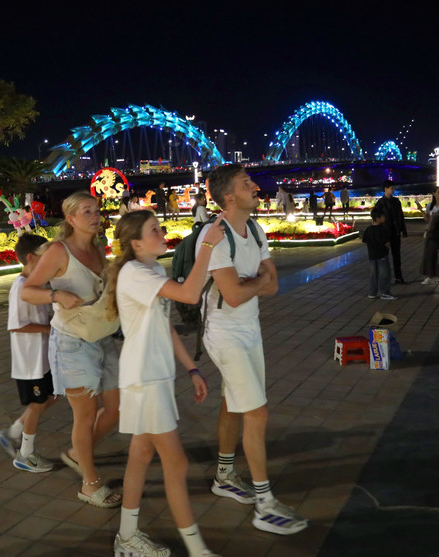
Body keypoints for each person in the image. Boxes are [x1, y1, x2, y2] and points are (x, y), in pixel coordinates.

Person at [196, 164, 308, 535]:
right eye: (248, 184)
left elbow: (273, 286)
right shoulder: (214, 236)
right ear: (229, 197)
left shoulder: (255, 229)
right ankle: (264, 504)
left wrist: (253, 282)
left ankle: (225, 475)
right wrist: (256, 282)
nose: (257, 187)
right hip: (224, 332)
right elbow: (231, 294)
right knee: (256, 413)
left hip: (249, 327)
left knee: (234, 402)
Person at [107, 210, 226, 557]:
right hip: (145, 378)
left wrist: (191, 368)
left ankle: (127, 538)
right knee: (177, 463)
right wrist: (206, 246)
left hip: (152, 375)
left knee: (141, 456)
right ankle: (197, 550)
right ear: (136, 243)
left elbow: (165, 325)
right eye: (154, 230)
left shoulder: (153, 270)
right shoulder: (134, 272)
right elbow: (190, 294)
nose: (162, 233)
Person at [21, 191, 122, 508]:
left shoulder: (98, 246)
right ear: (71, 218)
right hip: (72, 341)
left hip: (102, 334)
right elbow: (27, 290)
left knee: (117, 407)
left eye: (97, 210)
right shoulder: (58, 251)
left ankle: (79, 453)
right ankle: (89, 485)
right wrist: (56, 297)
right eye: (87, 211)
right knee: (86, 414)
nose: (95, 215)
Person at [0, 234, 57, 472]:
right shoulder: (21, 287)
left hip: (41, 358)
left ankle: (13, 432)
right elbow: (16, 325)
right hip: (30, 361)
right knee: (38, 403)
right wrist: (50, 329)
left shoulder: (36, 284)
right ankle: (25, 453)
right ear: (31, 258)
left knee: (51, 397)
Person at [373, 180, 408, 284]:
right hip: (385, 233)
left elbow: (401, 216)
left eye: (393, 188)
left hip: (395, 232)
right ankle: (385, 278)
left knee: (397, 256)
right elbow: (375, 215)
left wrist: (403, 230)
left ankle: (398, 277)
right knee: (384, 257)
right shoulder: (381, 203)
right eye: (391, 188)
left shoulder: (397, 201)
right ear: (385, 189)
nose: (393, 190)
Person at [416, 188, 439, 286]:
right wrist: (421, 210)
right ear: (433, 194)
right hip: (432, 233)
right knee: (430, 255)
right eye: (438, 192)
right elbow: (427, 219)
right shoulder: (430, 206)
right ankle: (430, 276)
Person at [362, 208, 397, 300]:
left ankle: (372, 292)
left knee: (373, 274)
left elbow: (365, 241)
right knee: (384, 274)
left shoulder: (368, 229)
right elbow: (386, 242)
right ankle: (385, 292)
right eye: (383, 216)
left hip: (372, 255)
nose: (384, 218)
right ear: (378, 218)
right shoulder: (383, 229)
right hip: (382, 255)